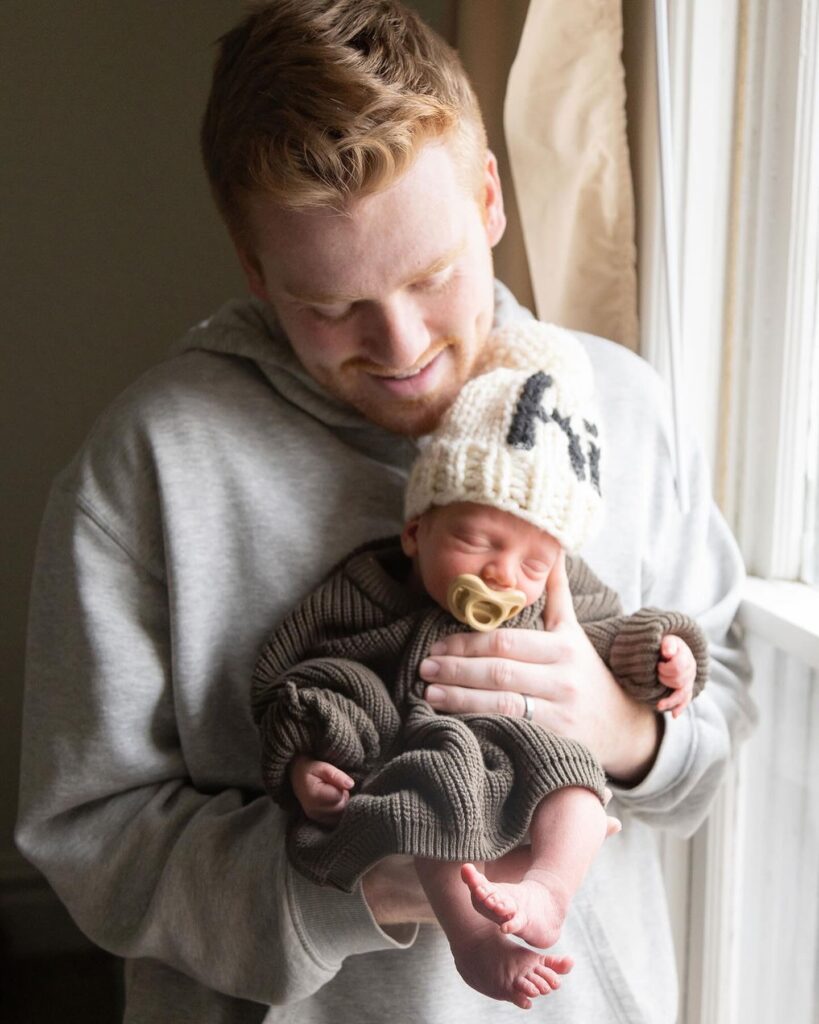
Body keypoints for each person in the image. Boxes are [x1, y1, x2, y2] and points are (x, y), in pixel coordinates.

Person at [16, 2, 755, 1021]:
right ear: (254, 269)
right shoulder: (149, 466)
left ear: (491, 197)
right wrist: (365, 872)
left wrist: (629, 727)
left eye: (432, 275)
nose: (401, 343)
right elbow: (90, 835)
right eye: (329, 308)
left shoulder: (622, 407)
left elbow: (727, 699)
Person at [252, 321, 709, 1009]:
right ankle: (474, 943)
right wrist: (311, 754)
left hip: (539, 755)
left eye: (532, 562)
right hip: (432, 755)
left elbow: (617, 637)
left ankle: (547, 893)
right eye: (475, 541)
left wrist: (665, 655)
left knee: (579, 792)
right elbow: (313, 673)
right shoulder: (372, 591)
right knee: (431, 807)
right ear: (416, 531)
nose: (502, 573)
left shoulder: (567, 592)